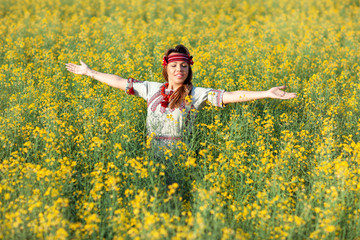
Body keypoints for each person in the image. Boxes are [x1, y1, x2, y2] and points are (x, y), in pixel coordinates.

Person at [66, 44, 297, 152]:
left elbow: (231, 96)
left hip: (181, 153)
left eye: (184, 66)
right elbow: (119, 82)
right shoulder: (151, 88)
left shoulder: (196, 93)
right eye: (175, 65)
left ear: (189, 69)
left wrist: (266, 93)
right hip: (151, 151)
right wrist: (90, 72)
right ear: (166, 69)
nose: (180, 70)